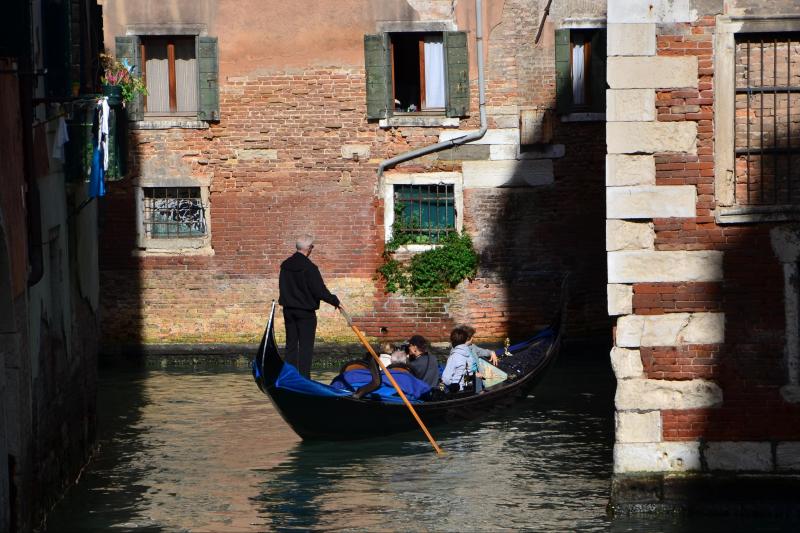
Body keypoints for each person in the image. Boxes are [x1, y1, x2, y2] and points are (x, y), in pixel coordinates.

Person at [278, 234, 343, 378]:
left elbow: (283, 287)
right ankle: (304, 378)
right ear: (308, 248)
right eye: (312, 247)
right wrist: (336, 302)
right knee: (305, 348)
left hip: (289, 311)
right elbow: (319, 290)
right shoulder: (310, 268)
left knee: (291, 345)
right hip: (305, 313)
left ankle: (289, 377)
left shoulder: (285, 265)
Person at [441, 327, 478, 392]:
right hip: (469, 389)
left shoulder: (454, 357)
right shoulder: (469, 354)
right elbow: (471, 371)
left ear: (452, 341)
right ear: (465, 339)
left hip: (457, 391)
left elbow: (446, 379)